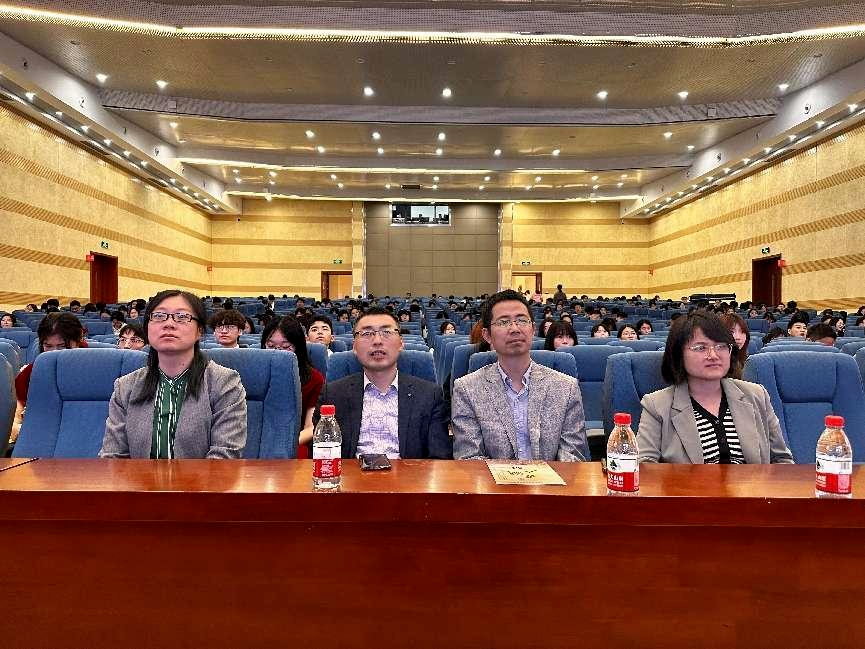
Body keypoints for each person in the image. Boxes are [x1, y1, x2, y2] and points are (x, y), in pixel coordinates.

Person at [100, 290, 247, 459]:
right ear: (147, 328)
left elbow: (224, 458)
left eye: (182, 317)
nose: (169, 324)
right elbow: (113, 458)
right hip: (135, 478)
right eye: (159, 316)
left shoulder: (224, 382)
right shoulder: (125, 386)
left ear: (199, 331)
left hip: (203, 477)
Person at [637, 311, 793, 464]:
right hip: (684, 482)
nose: (713, 355)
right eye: (700, 348)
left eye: (721, 346)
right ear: (678, 354)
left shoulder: (756, 395)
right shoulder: (656, 405)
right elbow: (644, 467)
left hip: (753, 481)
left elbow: (781, 460)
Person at [452, 290, 588, 461]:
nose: (514, 329)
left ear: (533, 329)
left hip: (552, 479)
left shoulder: (566, 387)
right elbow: (469, 460)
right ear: (487, 335)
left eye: (522, 320)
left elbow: (572, 459)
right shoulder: (467, 389)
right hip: (489, 480)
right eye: (503, 322)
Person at [313, 307, 451, 459]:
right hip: (350, 474)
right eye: (367, 333)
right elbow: (323, 457)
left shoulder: (430, 395)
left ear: (401, 343)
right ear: (354, 347)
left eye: (386, 332)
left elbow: (439, 460)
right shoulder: (332, 395)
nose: (377, 341)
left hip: (410, 474)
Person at [11, 312, 88, 446]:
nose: (54, 353)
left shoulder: (93, 367)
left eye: (62, 346)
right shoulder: (33, 370)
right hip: (40, 439)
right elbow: (18, 406)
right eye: (48, 346)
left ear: (78, 341)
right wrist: (17, 427)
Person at [264, 316, 325, 457]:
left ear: (298, 348)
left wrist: (283, 446)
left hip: (295, 441)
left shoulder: (314, 379)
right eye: (271, 346)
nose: (277, 352)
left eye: (286, 347)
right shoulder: (252, 375)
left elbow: (310, 428)